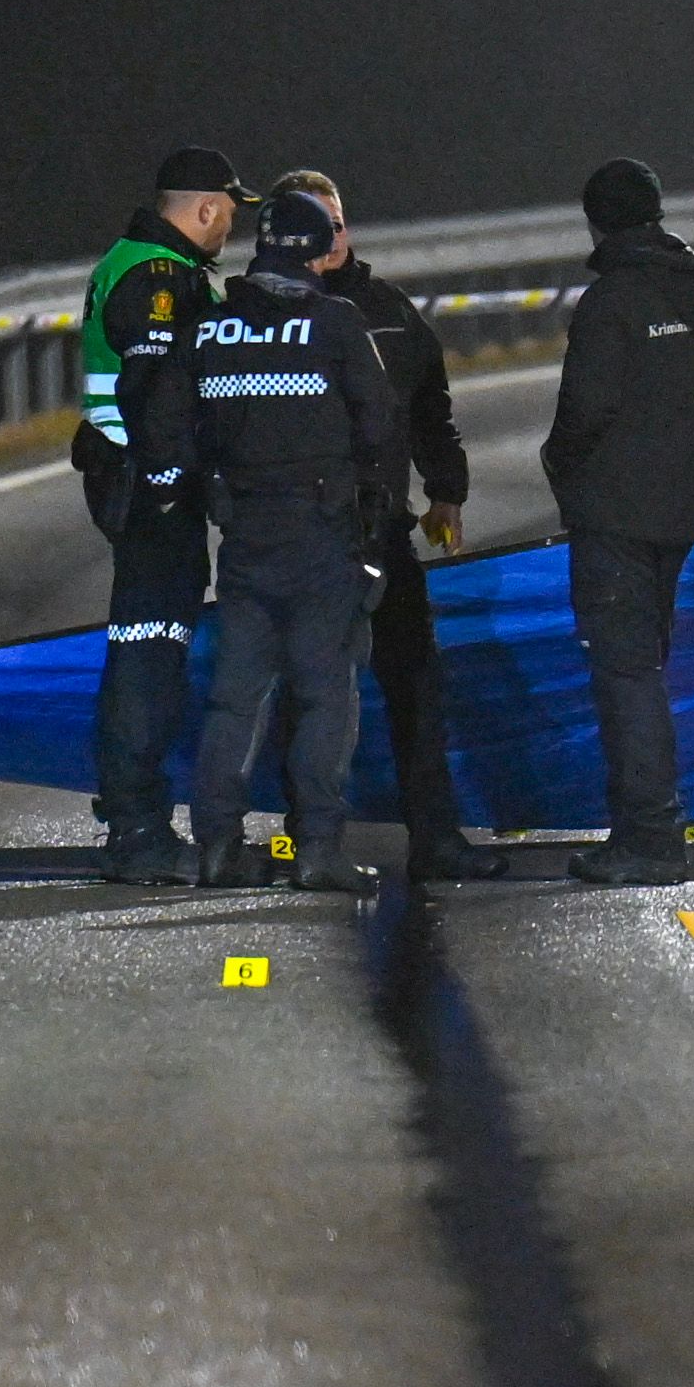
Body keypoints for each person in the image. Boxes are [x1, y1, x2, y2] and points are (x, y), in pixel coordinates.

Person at [187, 185, 405, 892]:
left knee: (235, 698)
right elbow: (380, 426)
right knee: (324, 695)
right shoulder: (335, 324)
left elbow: (179, 426)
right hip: (321, 539)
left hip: (245, 536)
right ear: (314, 253)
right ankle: (316, 849)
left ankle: (217, 846)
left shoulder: (210, 329)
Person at [272, 167, 484, 887]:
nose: (330, 237)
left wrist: (446, 490)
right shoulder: (265, 313)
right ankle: (308, 839)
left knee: (415, 683)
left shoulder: (389, 310)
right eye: (315, 224)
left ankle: (437, 837)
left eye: (336, 222)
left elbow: (430, 408)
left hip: (383, 529)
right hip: (302, 536)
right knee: (308, 690)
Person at [543, 156, 694, 883]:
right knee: (645, 669)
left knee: (626, 676)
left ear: (595, 222)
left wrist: (563, 465)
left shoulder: (610, 303)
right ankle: (646, 828)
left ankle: (649, 838)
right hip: (678, 509)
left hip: (614, 513)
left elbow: (583, 412)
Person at [76, 145, 238, 883]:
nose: (230, 226)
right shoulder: (160, 277)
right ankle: (138, 830)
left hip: (131, 481)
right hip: (148, 491)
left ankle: (135, 816)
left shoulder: (130, 260)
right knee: (148, 651)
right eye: (228, 211)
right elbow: (154, 388)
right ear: (204, 208)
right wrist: (174, 476)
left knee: (146, 647)